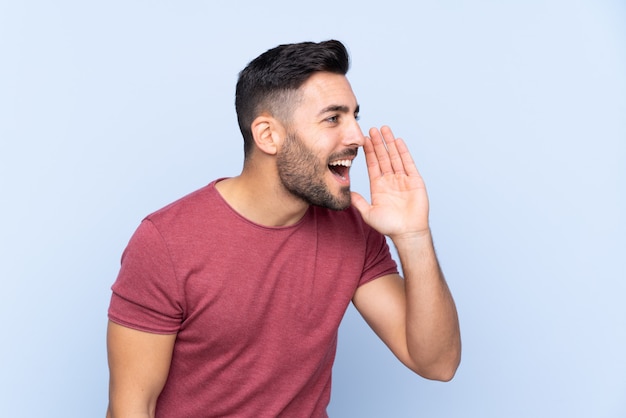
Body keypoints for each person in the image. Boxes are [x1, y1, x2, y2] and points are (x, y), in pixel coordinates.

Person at [106, 39, 461, 418]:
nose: (357, 136)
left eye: (355, 116)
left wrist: (413, 237)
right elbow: (131, 407)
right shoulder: (166, 242)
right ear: (268, 135)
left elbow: (436, 363)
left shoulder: (353, 227)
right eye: (333, 118)